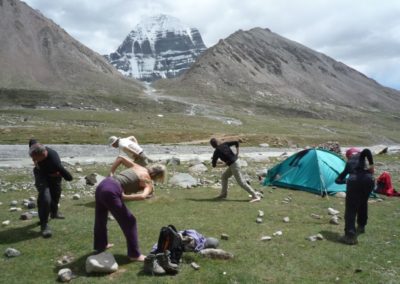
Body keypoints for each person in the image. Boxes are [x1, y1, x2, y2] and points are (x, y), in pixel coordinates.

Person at [94, 155, 166, 261]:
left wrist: (111, 173)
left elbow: (120, 158)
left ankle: (101, 245)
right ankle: (134, 254)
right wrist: (125, 197)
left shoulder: (139, 167)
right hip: (112, 191)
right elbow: (142, 196)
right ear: (156, 175)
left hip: (103, 185)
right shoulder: (148, 181)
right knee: (130, 221)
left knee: (101, 217)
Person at [28, 139, 73, 238]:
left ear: (43, 154)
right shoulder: (36, 148)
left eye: (35, 159)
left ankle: (54, 213)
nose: (33, 160)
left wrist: (60, 175)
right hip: (41, 174)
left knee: (56, 194)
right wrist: (36, 162)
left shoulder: (54, 161)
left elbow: (68, 177)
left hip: (54, 175)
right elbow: (32, 140)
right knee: (45, 197)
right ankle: (44, 224)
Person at [335, 147, 375, 245]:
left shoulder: (350, 161)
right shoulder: (361, 157)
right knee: (363, 203)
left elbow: (338, 180)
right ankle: (361, 226)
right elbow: (367, 151)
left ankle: (350, 236)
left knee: (351, 209)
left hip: (354, 182)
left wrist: (346, 181)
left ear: (349, 155)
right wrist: (371, 165)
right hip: (368, 180)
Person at [210, 138, 261, 203]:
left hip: (234, 165)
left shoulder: (216, 152)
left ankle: (255, 196)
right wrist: (237, 153)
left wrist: (223, 165)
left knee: (241, 182)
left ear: (213, 146)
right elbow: (236, 142)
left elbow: (214, 165)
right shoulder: (224, 144)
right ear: (217, 142)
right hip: (235, 163)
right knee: (224, 176)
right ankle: (223, 194)